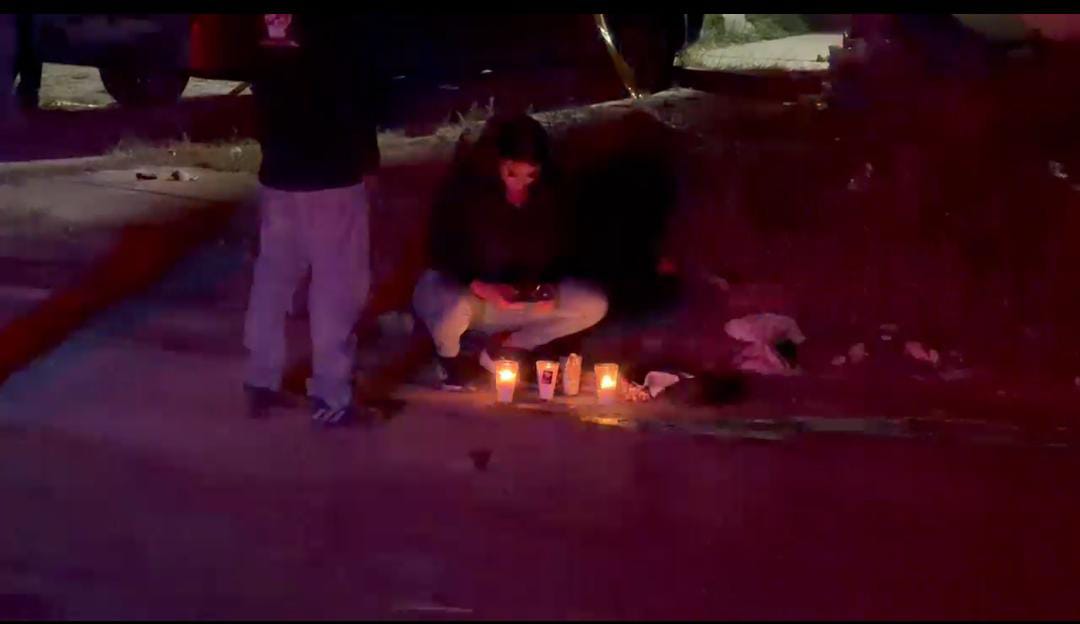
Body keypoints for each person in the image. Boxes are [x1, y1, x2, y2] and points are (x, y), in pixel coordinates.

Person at [243, 14, 381, 426]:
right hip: (330, 173)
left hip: (280, 171)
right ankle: (331, 395)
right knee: (336, 286)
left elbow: (261, 80)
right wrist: (367, 160)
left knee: (273, 278)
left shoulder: (266, 24)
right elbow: (352, 87)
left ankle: (261, 379)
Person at [412, 113, 608, 390]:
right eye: (512, 173)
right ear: (495, 163)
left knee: (592, 304)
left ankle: (508, 348)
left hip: (514, 301)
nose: (521, 183)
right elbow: (442, 252)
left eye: (531, 175)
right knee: (451, 310)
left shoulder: (548, 198)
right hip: (468, 296)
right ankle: (451, 361)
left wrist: (544, 287)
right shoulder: (466, 193)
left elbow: (562, 251)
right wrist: (480, 286)